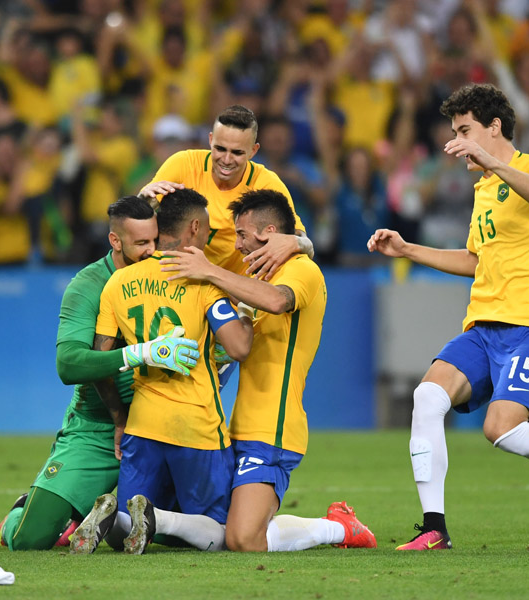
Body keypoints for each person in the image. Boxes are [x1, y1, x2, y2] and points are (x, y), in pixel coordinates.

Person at [366, 83, 529, 551]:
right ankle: (433, 528)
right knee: (427, 396)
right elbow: (474, 259)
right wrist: (407, 249)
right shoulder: (484, 189)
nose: (456, 142)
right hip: (483, 328)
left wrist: (493, 163)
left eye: (464, 130)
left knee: (500, 429)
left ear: (494, 127)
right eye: (453, 132)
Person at [118, 189, 376, 554]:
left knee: (243, 539)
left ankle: (337, 527)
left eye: (241, 234)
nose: (235, 244)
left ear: (269, 232)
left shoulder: (301, 271)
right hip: (233, 426)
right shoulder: (257, 274)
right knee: (219, 529)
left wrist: (209, 271)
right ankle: (142, 521)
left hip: (273, 429)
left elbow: (277, 300)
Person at [0, 196, 200, 551]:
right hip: (98, 429)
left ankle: (99, 517)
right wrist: (140, 353)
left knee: (179, 534)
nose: (151, 251)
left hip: (162, 423)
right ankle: (20, 513)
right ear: (115, 241)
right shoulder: (86, 286)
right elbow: (69, 363)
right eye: (141, 244)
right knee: (30, 539)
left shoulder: (169, 272)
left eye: (155, 240)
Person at [70, 188, 254, 554]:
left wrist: (119, 416)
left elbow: (100, 360)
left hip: (142, 425)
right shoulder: (203, 284)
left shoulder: (118, 283)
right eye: (209, 231)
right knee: (219, 533)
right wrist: (247, 311)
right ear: (195, 228)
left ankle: (110, 519)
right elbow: (238, 347)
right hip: (197, 427)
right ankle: (161, 519)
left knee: (131, 523)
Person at [138, 104, 312, 281]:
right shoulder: (183, 164)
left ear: (253, 151)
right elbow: (138, 218)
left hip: (232, 290)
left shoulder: (266, 183)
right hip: (178, 279)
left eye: (237, 152)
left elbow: (305, 243)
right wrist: (143, 202)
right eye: (220, 149)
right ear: (211, 140)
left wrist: (295, 242)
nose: (226, 160)